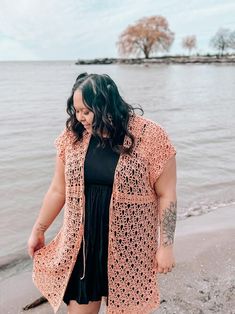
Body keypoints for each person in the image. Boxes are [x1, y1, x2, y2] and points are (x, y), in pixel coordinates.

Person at [27, 72, 177, 314]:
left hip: (130, 247)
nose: (80, 117)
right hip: (83, 248)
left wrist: (166, 246)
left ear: (106, 105)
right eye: (76, 111)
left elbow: (167, 194)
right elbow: (58, 189)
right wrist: (39, 229)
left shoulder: (150, 137)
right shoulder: (73, 137)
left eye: (86, 111)